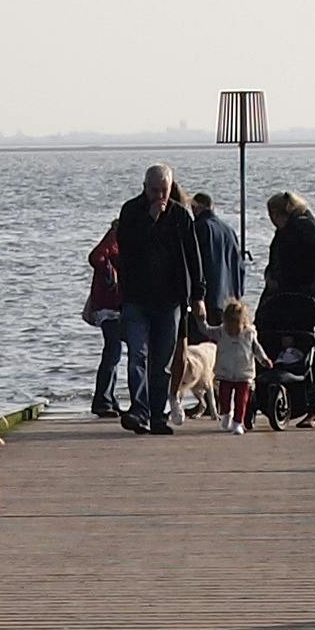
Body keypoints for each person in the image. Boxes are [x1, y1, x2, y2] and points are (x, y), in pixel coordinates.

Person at [110, 164, 204, 434]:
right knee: (137, 355)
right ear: (145, 187)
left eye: (164, 190)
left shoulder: (180, 216)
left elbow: (193, 258)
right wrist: (150, 221)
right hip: (137, 298)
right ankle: (138, 410)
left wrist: (199, 296)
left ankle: (158, 415)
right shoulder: (131, 212)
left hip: (170, 300)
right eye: (154, 190)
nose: (160, 196)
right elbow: (127, 248)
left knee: (162, 360)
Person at [255, 189, 315, 362]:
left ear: (277, 213)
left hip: (300, 293)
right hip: (285, 291)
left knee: (289, 331)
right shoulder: (287, 230)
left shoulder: (301, 225)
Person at [83, 220, 126, 415]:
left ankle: (108, 398)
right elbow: (96, 257)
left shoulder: (119, 239)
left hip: (113, 305)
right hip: (109, 307)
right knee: (113, 351)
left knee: (113, 352)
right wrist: (110, 273)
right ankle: (102, 400)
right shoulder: (115, 237)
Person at [210, 298, 267, 433]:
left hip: (244, 374)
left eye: (236, 326)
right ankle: (226, 414)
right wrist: (200, 320)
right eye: (229, 326)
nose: (232, 330)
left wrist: (263, 359)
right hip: (225, 373)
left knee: (242, 400)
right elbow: (206, 330)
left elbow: (256, 349)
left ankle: (237, 423)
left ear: (243, 322)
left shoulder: (249, 334)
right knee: (224, 397)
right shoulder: (221, 332)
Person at [191, 189, 247, 318]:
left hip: (208, 299)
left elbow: (195, 263)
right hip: (229, 301)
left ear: (196, 207)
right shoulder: (229, 231)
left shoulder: (199, 228)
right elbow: (240, 267)